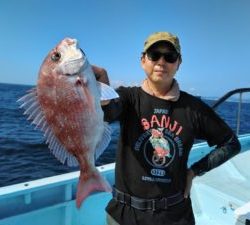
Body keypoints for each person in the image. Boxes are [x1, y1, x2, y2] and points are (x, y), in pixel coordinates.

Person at [92, 31, 241, 225]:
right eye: (154, 55)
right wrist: (100, 88)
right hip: (123, 216)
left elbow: (231, 143)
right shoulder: (128, 98)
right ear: (143, 60)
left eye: (169, 57)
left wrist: (194, 171)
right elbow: (108, 112)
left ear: (178, 63)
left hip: (174, 216)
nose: (161, 62)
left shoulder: (193, 108)